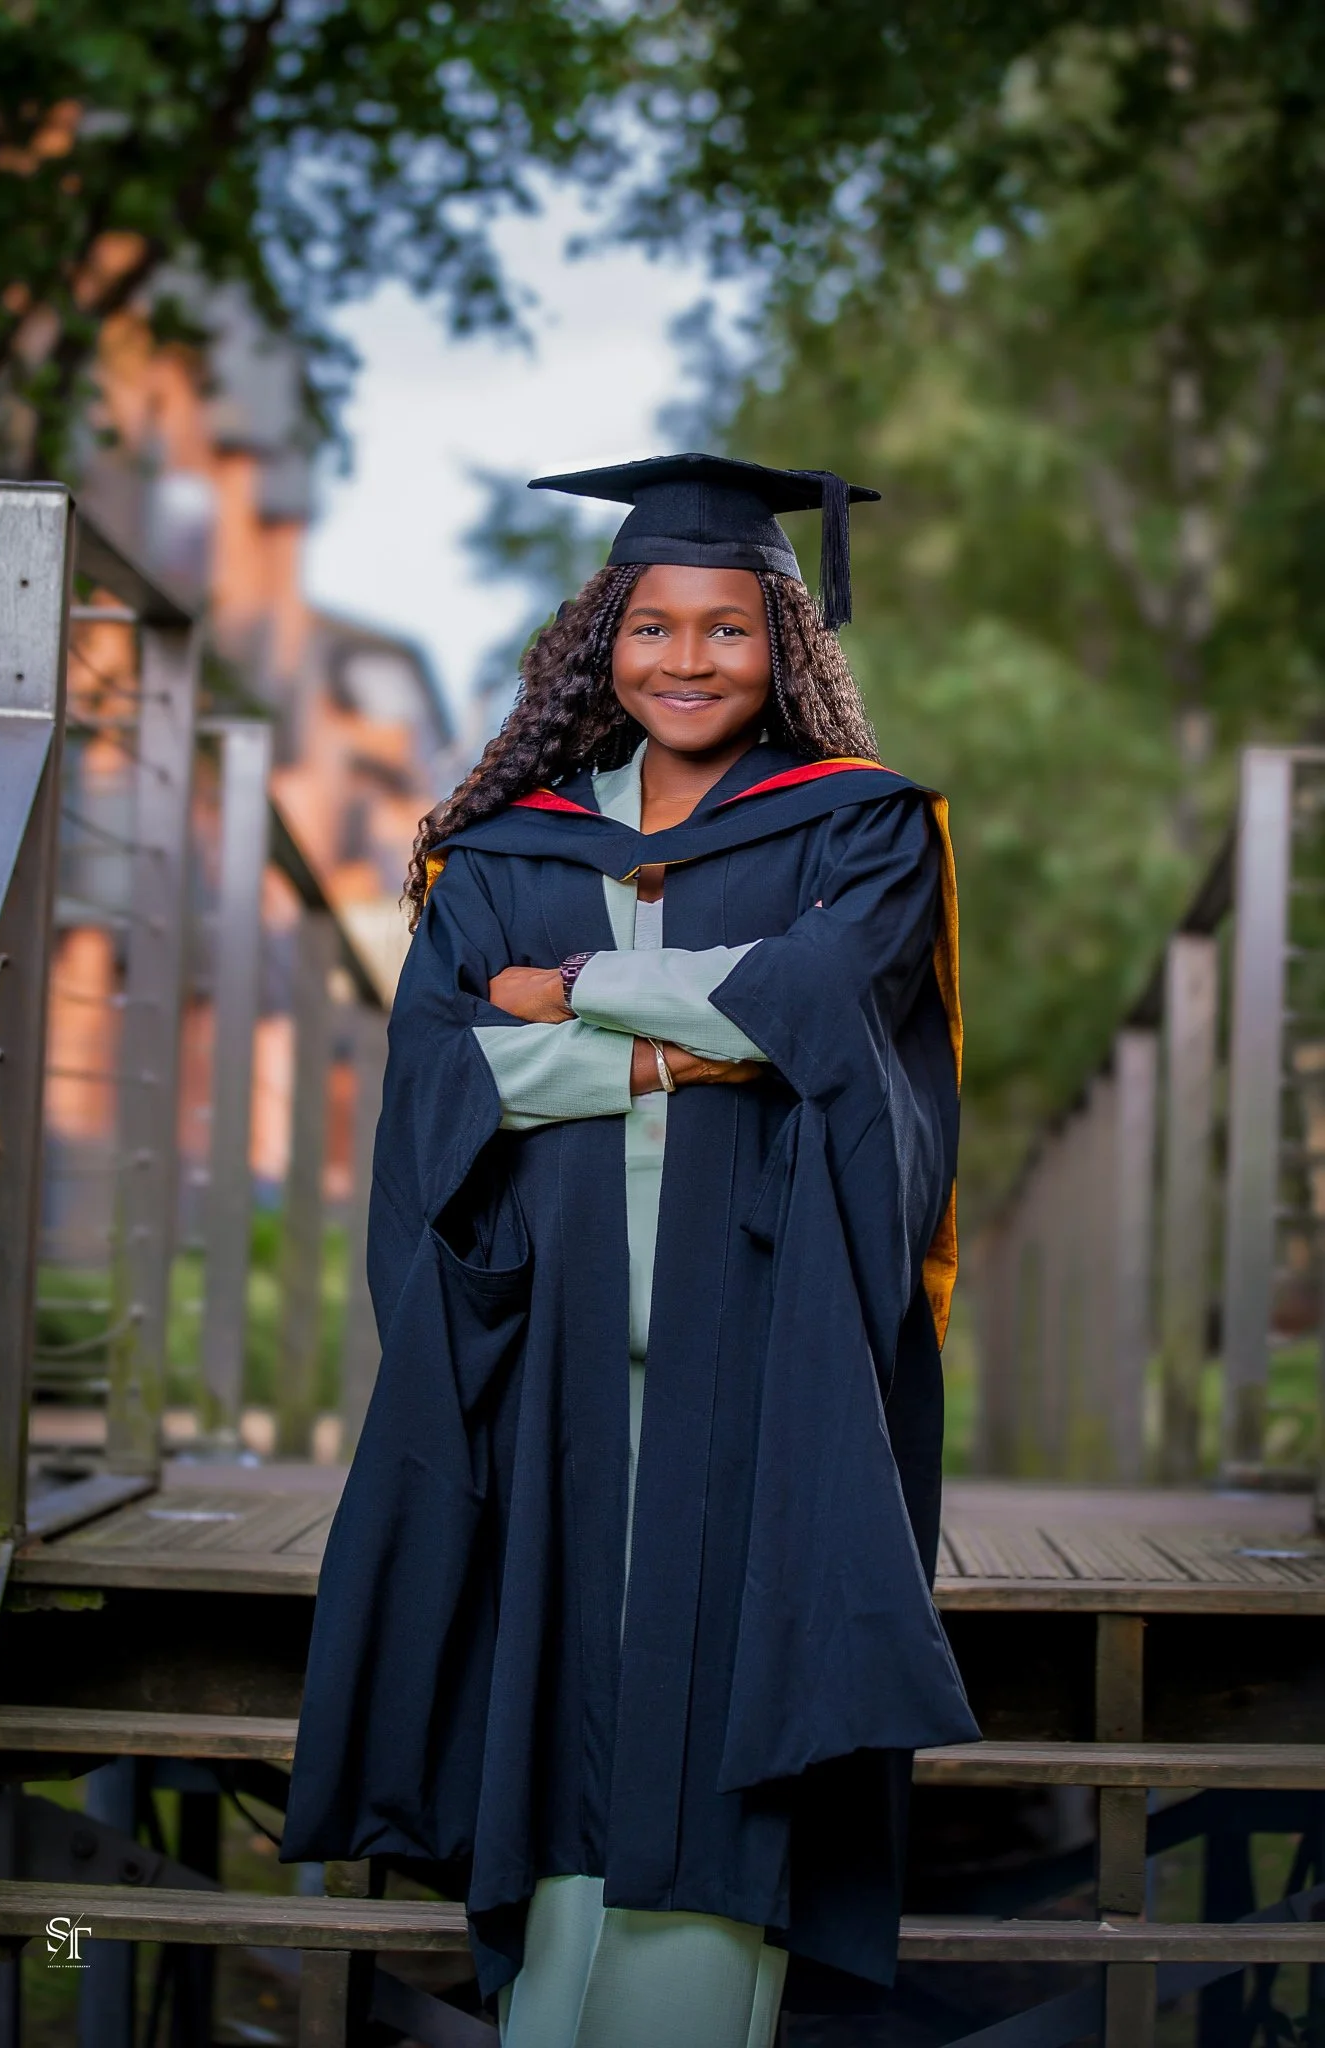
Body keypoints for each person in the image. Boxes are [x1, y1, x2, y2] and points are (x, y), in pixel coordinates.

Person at [281, 454, 978, 2047]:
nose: (686, 660)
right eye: (653, 626)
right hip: (554, 1341)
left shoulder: (862, 832)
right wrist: (683, 1046)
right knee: (557, 1688)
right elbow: (447, 1072)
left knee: (725, 1682)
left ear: (783, 646)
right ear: (604, 639)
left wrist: (571, 992)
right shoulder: (508, 851)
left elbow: (816, 1010)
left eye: (726, 630)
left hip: (764, 1337)